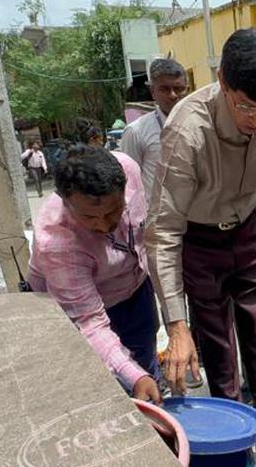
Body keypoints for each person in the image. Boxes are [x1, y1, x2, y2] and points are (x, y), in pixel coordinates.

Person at [147, 27, 256, 467]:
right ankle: (237, 459)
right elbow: (164, 229)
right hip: (199, 241)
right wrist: (175, 323)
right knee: (221, 356)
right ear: (223, 80)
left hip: (247, 232)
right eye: (246, 106)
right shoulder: (186, 129)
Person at [27, 145, 167, 404]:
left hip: (135, 287)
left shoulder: (127, 168)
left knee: (146, 366)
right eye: (89, 217)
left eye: (113, 211)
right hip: (79, 311)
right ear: (64, 199)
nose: (103, 225)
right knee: (106, 389)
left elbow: (150, 238)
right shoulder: (58, 244)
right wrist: (135, 377)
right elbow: (90, 323)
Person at [121, 58, 189, 197]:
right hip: (157, 216)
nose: (173, 95)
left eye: (178, 89)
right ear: (152, 91)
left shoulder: (200, 125)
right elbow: (129, 184)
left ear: (187, 89)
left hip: (196, 215)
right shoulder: (136, 132)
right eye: (164, 89)